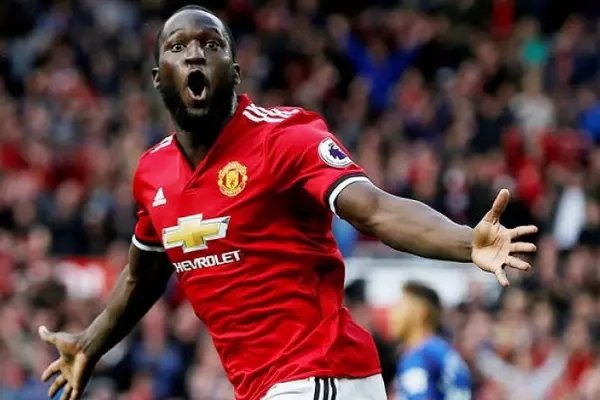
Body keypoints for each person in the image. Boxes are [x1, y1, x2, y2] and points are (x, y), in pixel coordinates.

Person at [38, 5, 537, 400]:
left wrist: (464, 241)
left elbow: (374, 209)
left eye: (211, 44)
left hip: (322, 375)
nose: (194, 55)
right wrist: (90, 343)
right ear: (157, 76)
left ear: (234, 72)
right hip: (267, 387)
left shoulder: (284, 137)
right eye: (178, 46)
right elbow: (144, 273)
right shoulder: (153, 173)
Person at [391, 282, 472, 400]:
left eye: (399, 306)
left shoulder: (420, 357)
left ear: (420, 312)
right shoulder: (445, 352)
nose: (392, 315)